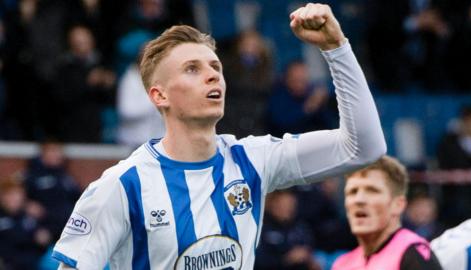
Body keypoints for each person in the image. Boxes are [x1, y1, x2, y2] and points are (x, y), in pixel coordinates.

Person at [52, 3, 386, 269]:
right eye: (192, 69)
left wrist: (336, 48)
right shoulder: (122, 186)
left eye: (216, 68)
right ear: (159, 96)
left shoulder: (253, 159)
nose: (213, 76)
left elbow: (363, 147)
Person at [332, 156, 442, 270]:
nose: (359, 200)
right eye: (352, 192)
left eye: (372, 190)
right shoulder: (342, 264)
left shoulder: (412, 254)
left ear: (398, 205)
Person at [255, 190, 321, 270]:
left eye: (291, 205)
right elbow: (259, 261)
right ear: (273, 204)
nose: (289, 209)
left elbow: (309, 250)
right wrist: (287, 259)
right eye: (285, 205)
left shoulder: (301, 227)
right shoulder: (261, 228)